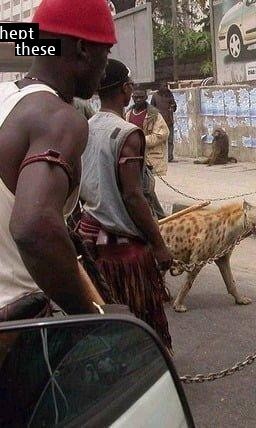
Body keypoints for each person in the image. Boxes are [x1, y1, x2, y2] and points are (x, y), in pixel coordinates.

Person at [0, 0, 116, 321]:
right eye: (105, 53)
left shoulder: (5, 97)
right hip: (15, 326)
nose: (106, 67)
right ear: (82, 49)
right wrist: (90, 315)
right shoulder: (59, 118)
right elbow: (33, 226)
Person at [78, 59, 173, 351]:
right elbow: (133, 196)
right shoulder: (127, 133)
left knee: (104, 317)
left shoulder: (85, 127)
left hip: (89, 236)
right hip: (122, 249)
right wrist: (159, 244)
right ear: (126, 88)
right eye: (131, 85)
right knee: (138, 317)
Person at [126, 87, 169, 219]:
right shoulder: (128, 113)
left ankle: (160, 217)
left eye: (141, 97)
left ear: (146, 97)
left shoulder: (154, 115)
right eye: (136, 97)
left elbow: (162, 134)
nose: (138, 100)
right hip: (133, 157)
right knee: (142, 189)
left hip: (149, 157)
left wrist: (141, 140)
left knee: (147, 188)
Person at [151, 83, 178, 162]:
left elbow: (175, 107)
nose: (165, 88)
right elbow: (151, 108)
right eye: (164, 86)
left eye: (166, 86)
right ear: (160, 87)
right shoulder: (155, 96)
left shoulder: (169, 95)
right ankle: (160, 156)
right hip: (159, 122)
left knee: (170, 140)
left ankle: (169, 157)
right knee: (160, 140)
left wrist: (173, 107)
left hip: (169, 121)